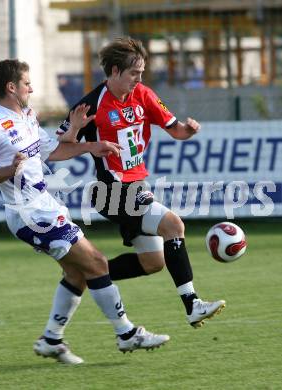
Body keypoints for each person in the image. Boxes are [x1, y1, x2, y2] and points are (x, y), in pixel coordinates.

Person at [0, 59, 169, 365]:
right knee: (97, 262)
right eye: (26, 83)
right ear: (11, 87)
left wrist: (91, 146)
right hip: (29, 214)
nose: (31, 88)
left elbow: (53, 151)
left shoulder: (27, 117)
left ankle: (51, 339)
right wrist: (9, 169)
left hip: (45, 206)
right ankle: (126, 334)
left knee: (77, 273)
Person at [57, 37, 226, 328]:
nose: (139, 79)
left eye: (142, 73)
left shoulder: (144, 95)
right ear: (113, 71)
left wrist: (189, 129)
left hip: (136, 188)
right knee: (174, 225)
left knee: (153, 262)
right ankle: (193, 304)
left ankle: (88, 273)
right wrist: (74, 129)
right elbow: (60, 148)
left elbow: (177, 131)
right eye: (134, 73)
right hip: (111, 191)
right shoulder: (90, 104)